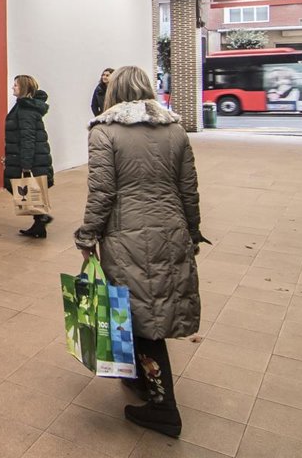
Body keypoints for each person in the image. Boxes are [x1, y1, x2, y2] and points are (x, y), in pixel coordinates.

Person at [75, 65, 205, 438]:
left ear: (114, 92)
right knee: (149, 310)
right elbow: (188, 188)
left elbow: (102, 192)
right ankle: (140, 380)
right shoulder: (175, 130)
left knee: (142, 319)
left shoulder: (103, 131)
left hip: (127, 236)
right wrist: (192, 232)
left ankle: (164, 408)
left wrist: (87, 236)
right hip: (171, 231)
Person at [4, 74, 55, 238]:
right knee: (26, 189)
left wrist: (26, 166)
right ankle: (39, 224)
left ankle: (41, 217)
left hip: (28, 159)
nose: (12, 87)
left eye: (16, 85)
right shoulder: (24, 106)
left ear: (24, 88)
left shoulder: (26, 110)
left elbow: (28, 138)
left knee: (21, 187)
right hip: (24, 156)